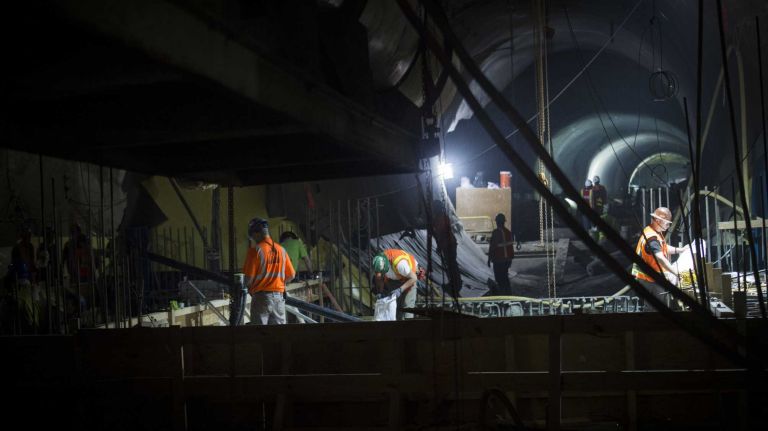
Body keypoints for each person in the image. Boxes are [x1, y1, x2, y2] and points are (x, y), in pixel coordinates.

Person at [631, 207, 688, 310]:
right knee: (655, 311)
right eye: (667, 223)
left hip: (649, 278)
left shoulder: (653, 231)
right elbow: (660, 258)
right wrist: (676, 273)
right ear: (658, 220)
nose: (668, 225)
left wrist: (680, 250)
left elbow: (663, 248)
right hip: (649, 280)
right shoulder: (651, 238)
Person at [243, 218, 295, 325]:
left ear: (257, 233)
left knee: (260, 335)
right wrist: (280, 284)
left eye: (252, 236)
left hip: (261, 298)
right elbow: (291, 275)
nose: (253, 239)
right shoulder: (281, 250)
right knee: (278, 336)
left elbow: (248, 280)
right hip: (279, 298)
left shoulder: (255, 251)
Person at [278, 231, 342, 312]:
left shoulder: (279, 246)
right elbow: (307, 260)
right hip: (290, 277)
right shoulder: (297, 242)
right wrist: (311, 274)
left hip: (279, 278)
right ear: (293, 237)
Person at [371, 249, 424, 320]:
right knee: (393, 307)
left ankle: (408, 327)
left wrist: (400, 290)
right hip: (396, 277)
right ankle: (396, 327)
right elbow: (379, 278)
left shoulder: (400, 264)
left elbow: (414, 278)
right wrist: (380, 292)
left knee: (407, 308)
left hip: (409, 279)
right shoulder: (379, 261)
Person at [487, 213, 514, 295]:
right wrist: (510, 260)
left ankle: (502, 295)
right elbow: (510, 247)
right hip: (507, 260)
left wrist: (489, 259)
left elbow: (492, 247)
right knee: (505, 277)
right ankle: (508, 294)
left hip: (498, 260)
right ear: (504, 222)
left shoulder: (496, 232)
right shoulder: (508, 232)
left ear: (497, 222)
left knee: (499, 279)